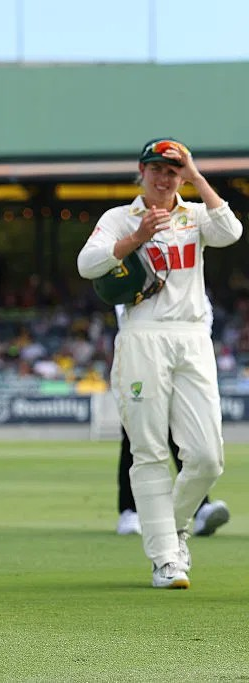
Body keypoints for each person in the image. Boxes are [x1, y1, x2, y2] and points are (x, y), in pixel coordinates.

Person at [78, 138, 242, 588]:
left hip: (192, 336)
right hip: (142, 334)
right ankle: (166, 559)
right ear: (142, 171)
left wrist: (197, 176)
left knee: (207, 458)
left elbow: (230, 231)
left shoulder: (195, 215)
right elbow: (87, 264)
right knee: (148, 450)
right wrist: (136, 237)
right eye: (157, 169)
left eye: (173, 171)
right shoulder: (120, 217)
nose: (164, 178)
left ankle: (174, 527)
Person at [112, 304, 230, 537]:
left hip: (183, 354)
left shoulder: (188, 284)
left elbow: (202, 311)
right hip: (143, 352)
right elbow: (122, 305)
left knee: (186, 436)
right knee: (138, 435)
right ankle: (131, 511)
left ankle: (198, 508)